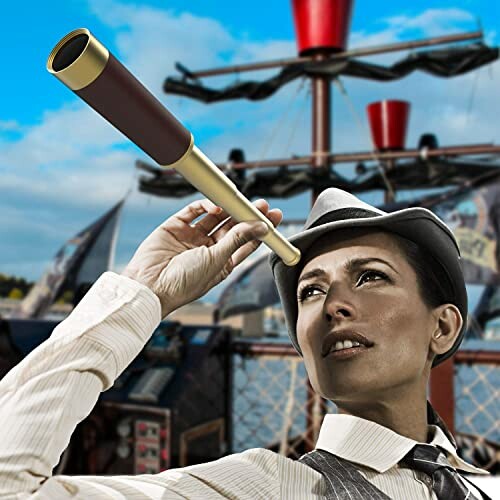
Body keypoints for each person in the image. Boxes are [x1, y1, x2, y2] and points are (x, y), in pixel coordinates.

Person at [0, 189, 494, 499]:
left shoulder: (481, 485)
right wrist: (146, 293)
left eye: (368, 277)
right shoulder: (265, 487)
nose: (332, 305)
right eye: (311, 291)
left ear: (444, 328)